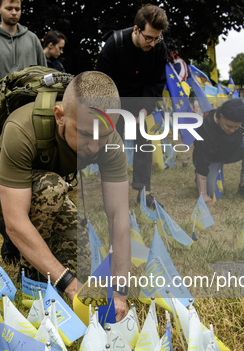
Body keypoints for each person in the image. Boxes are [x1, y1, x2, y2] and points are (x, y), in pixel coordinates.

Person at [0, 71, 130, 320]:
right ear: (59, 116)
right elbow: (16, 221)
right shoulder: (22, 127)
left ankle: (32, 239)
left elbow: (119, 215)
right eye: (84, 134)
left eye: (102, 137)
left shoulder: (109, 141)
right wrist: (69, 285)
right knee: (52, 189)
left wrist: (120, 291)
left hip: (47, 187)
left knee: (79, 260)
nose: (93, 146)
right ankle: (27, 269)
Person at [95, 4, 168, 209]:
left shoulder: (159, 47)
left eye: (157, 38)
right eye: (148, 38)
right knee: (111, 148)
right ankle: (113, 194)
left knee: (144, 145)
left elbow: (156, 82)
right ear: (136, 29)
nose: (153, 43)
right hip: (113, 102)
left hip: (141, 102)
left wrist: (144, 110)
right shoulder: (114, 44)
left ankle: (143, 193)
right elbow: (101, 82)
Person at [193, 99, 244, 206]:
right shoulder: (205, 129)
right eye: (229, 126)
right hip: (210, 158)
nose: (232, 130)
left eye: (236, 127)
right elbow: (202, 161)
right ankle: (202, 181)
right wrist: (203, 194)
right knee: (214, 193)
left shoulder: (237, 116)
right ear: (220, 116)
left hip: (229, 151)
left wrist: (243, 132)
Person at [0, 0, 47, 94]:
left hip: (31, 101)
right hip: (1, 102)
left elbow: (43, 71)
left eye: (17, 9)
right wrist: (2, 91)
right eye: (9, 8)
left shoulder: (32, 38)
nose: (14, 13)